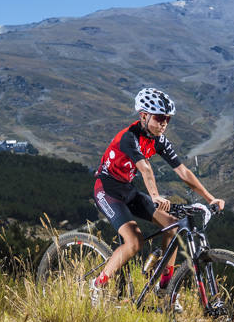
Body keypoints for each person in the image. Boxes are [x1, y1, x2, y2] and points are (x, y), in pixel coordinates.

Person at [91, 87, 225, 302]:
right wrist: (154, 195)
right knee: (134, 242)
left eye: (168, 119)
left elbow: (183, 171)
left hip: (127, 189)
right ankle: (97, 285)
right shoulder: (129, 138)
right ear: (144, 116)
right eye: (160, 118)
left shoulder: (158, 140)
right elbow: (145, 168)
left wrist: (210, 198)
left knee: (172, 225)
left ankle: (165, 289)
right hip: (107, 190)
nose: (164, 123)